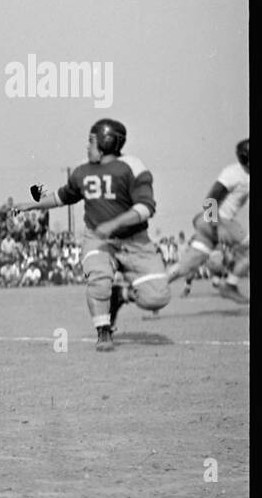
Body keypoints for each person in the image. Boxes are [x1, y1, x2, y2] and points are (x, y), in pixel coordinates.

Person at [13, 118, 170, 351]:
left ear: (106, 141)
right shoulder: (82, 171)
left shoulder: (132, 166)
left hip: (134, 239)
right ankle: (103, 331)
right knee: (98, 279)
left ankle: (120, 295)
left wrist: (115, 222)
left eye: (91, 141)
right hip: (97, 237)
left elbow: (146, 207)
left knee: (157, 297)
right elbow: (61, 197)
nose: (87, 146)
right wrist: (31, 205)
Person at [167, 138, 249, 303]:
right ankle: (229, 285)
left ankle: (148, 287)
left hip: (209, 223)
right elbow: (211, 199)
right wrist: (218, 226)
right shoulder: (234, 173)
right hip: (218, 220)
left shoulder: (241, 173)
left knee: (186, 265)